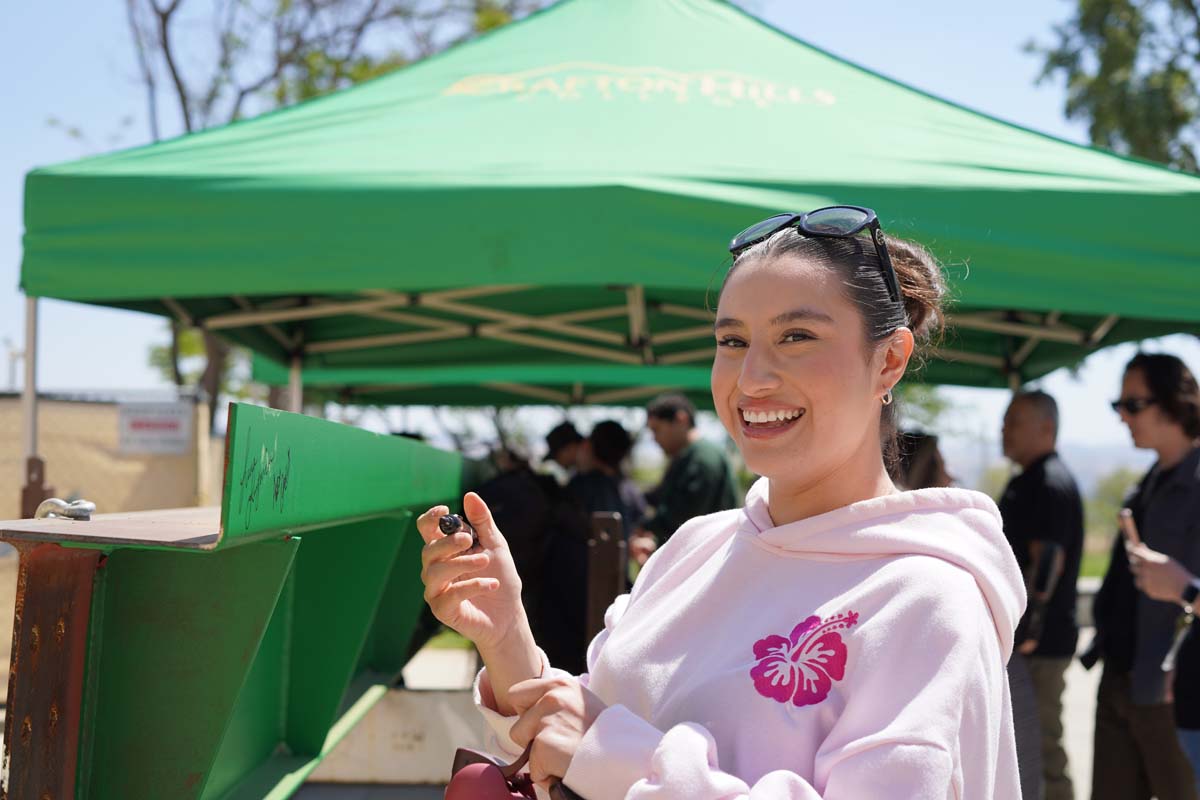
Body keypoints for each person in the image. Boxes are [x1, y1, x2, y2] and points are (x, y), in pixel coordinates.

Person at [416, 206, 1025, 798]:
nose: (752, 377)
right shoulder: (695, 546)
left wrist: (614, 759)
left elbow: (596, 747)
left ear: (888, 360)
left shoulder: (929, 600)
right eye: (732, 340)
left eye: (797, 336)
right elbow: (578, 734)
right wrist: (505, 638)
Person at [1084, 352, 1200, 800]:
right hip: (1120, 679)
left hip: (1173, 693)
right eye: (1119, 405)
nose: (1122, 418)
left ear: (1174, 402)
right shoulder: (1147, 482)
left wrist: (1180, 585)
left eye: (1133, 405)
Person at [997, 390, 1085, 800]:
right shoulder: (1028, 480)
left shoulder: (1049, 483)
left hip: (1040, 644)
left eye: (1014, 421)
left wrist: (1030, 626)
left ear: (1045, 428)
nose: (1004, 430)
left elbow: (1049, 559)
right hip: (1029, 641)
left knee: (1042, 745)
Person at [628, 393, 739, 564]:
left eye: (657, 429)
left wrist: (646, 527)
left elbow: (685, 515)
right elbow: (661, 497)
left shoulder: (703, 457)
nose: (654, 438)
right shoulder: (685, 457)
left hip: (708, 562)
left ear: (681, 419)